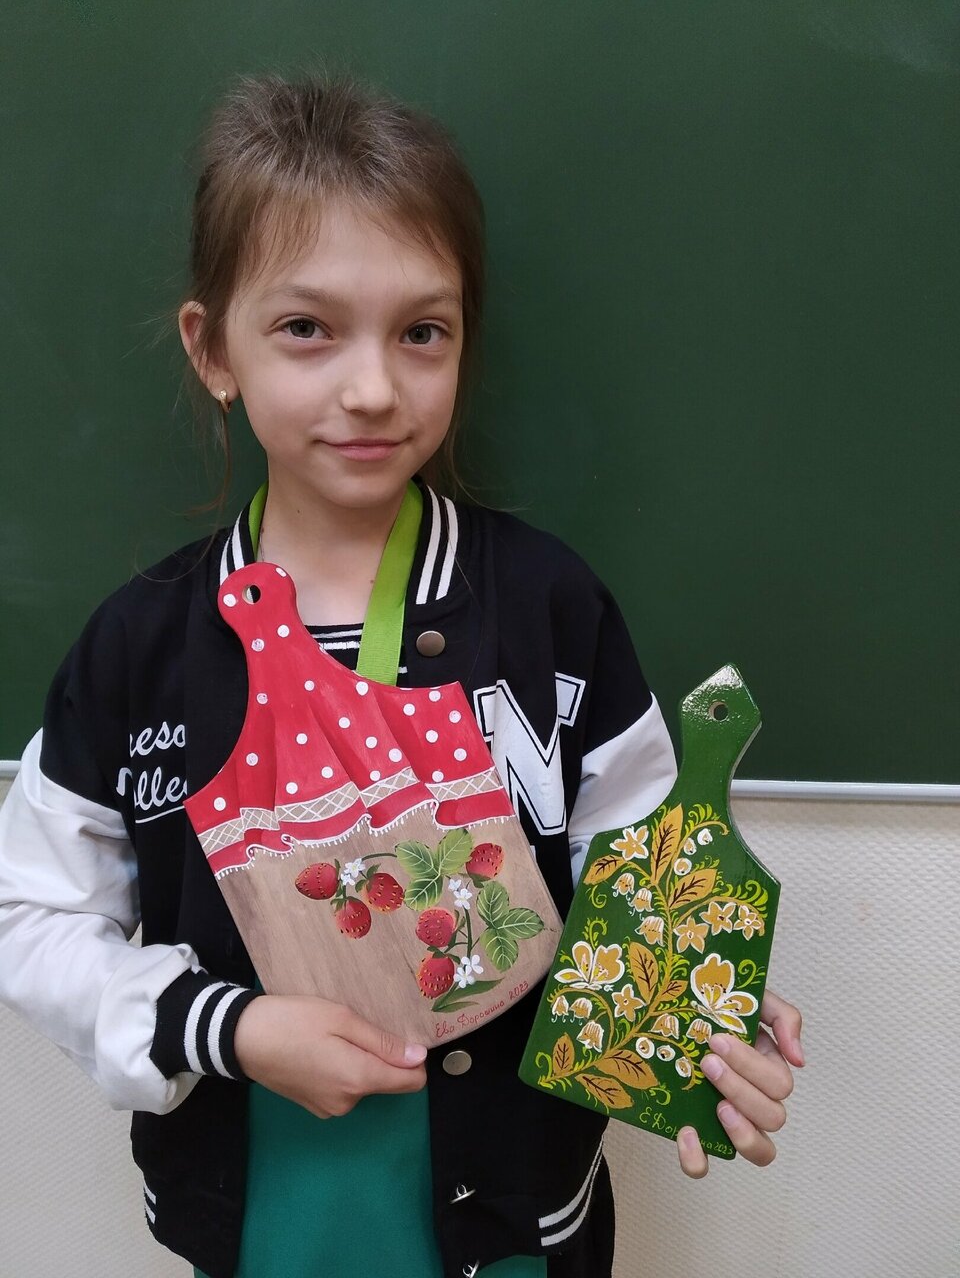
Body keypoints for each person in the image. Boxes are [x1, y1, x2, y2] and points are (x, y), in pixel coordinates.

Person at [0, 75, 803, 1278]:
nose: (372, 387)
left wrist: (698, 994)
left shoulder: (549, 607)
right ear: (212, 348)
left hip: (515, 1222)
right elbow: (32, 915)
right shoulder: (140, 646)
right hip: (261, 1218)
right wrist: (230, 1024)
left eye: (422, 331)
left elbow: (635, 860)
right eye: (307, 328)